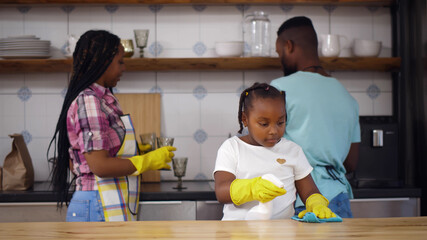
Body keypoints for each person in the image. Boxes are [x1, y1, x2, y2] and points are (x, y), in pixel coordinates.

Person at [47, 30, 176, 222]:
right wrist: (145, 162)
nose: (124, 68)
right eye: (120, 61)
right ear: (103, 61)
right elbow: (99, 165)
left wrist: (139, 152)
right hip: (97, 203)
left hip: (102, 201)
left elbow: (86, 156)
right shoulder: (90, 101)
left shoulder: (102, 98)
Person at [271, 16, 360, 218]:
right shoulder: (347, 97)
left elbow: (264, 147)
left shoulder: (279, 89)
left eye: (279, 53)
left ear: (289, 46)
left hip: (300, 198)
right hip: (339, 196)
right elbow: (351, 163)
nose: (280, 60)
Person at [214, 82, 337, 220]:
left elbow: (309, 191)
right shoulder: (232, 148)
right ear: (245, 119)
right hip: (237, 232)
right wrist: (252, 188)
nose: (274, 131)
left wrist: (316, 203)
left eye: (280, 122)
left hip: (282, 232)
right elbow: (221, 192)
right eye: (264, 124)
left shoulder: (293, 151)